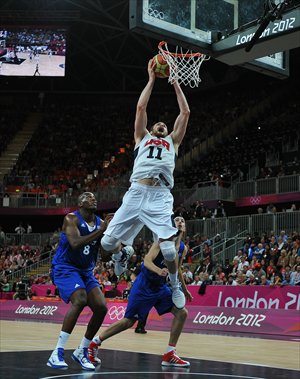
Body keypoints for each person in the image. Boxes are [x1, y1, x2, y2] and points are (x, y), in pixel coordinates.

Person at [101, 59, 190, 309]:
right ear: (151, 128)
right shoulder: (142, 138)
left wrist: (175, 83)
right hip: (137, 192)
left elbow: (185, 113)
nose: (161, 124)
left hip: (160, 195)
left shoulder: (173, 142)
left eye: (164, 124)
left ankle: (174, 285)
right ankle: (122, 254)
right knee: (107, 244)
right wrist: (151, 79)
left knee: (170, 252)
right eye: (157, 124)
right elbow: (141, 108)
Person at [88, 216, 193, 367]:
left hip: (161, 287)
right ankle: (95, 343)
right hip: (145, 284)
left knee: (182, 312)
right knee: (129, 321)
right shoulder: (162, 241)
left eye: (183, 220)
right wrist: (158, 270)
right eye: (177, 220)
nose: (180, 222)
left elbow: (177, 269)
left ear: (185, 227)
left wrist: (184, 289)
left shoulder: (183, 248)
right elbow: (147, 261)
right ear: (171, 225)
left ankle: (170, 353)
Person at [47, 192, 116, 371]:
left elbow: (105, 252)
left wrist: (113, 237)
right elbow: (75, 243)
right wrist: (101, 231)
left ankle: (81, 350)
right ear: (80, 203)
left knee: (101, 307)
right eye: (88, 197)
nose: (93, 198)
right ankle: (57, 352)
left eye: (95, 197)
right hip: (65, 267)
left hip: (85, 271)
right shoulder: (71, 219)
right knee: (80, 299)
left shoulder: (101, 223)